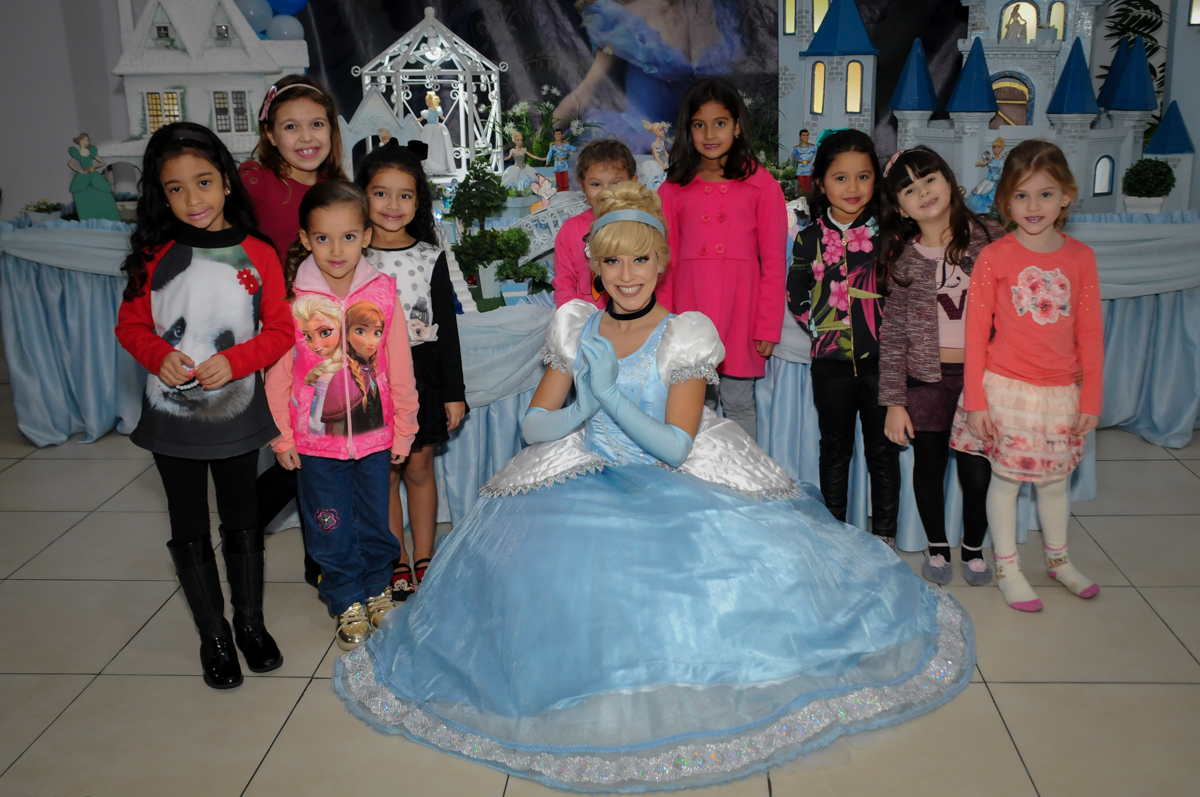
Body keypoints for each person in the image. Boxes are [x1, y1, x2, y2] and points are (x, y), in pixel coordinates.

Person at [330, 181, 974, 791]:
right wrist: (587, 407)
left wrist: (608, 393)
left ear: (660, 262)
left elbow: (675, 444)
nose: (627, 275)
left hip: (670, 473)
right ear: (596, 267)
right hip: (586, 467)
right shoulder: (577, 325)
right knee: (542, 579)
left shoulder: (683, 333)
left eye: (639, 259)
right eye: (612, 263)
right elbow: (534, 426)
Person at [114, 122, 293, 689]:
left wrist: (239, 361)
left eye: (204, 182)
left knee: (242, 517)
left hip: (238, 415)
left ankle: (249, 623)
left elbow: (282, 330)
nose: (193, 200)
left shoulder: (258, 252)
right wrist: (155, 355)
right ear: (159, 194)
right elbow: (131, 326)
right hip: (171, 419)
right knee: (187, 520)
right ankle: (212, 636)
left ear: (225, 183)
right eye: (175, 188)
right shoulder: (152, 254)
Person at [265, 181, 420, 650]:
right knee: (328, 522)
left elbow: (399, 364)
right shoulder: (293, 303)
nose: (337, 249)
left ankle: (376, 590)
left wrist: (405, 427)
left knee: (376, 520)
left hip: (374, 440)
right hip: (316, 445)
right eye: (324, 238)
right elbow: (279, 376)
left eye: (349, 236)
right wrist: (284, 438)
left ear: (366, 237)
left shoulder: (384, 293)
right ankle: (345, 598)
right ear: (305, 239)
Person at [951, 139, 1103, 611]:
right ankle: (1008, 568)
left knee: (1055, 482)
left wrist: (1091, 400)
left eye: (1044, 193)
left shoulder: (1081, 258)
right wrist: (975, 399)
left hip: (1062, 392)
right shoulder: (996, 257)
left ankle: (1058, 562)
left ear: (1067, 195)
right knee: (1007, 481)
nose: (1033, 206)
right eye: (1021, 195)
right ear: (1004, 201)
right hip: (1005, 391)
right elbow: (975, 334)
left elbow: (1091, 334)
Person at [240, 74, 347, 586]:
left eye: (317, 124)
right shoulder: (255, 182)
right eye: (291, 126)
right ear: (270, 133)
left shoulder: (334, 188)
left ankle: (317, 557)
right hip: (281, 337)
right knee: (299, 445)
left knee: (320, 445)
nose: (306, 136)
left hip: (328, 336)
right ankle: (245, 524)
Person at [877, 147, 1001, 585]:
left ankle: (973, 546)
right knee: (928, 467)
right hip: (926, 379)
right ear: (899, 207)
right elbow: (891, 338)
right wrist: (894, 401)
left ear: (949, 180)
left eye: (929, 179)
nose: (923, 192)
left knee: (977, 470)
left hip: (981, 380)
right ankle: (936, 546)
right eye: (909, 189)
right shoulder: (904, 261)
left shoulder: (990, 238)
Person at [356, 142, 468, 600]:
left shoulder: (430, 254)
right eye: (381, 193)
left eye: (405, 195)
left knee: (420, 466)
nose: (392, 205)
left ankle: (425, 555)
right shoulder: (352, 257)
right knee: (384, 471)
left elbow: (448, 330)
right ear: (361, 196)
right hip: (369, 376)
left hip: (421, 373)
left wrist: (454, 392)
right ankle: (395, 556)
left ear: (418, 201)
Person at [787, 129, 899, 548]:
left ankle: (884, 535)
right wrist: (819, 326)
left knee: (882, 450)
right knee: (835, 448)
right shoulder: (809, 237)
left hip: (882, 363)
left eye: (863, 176)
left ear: (876, 180)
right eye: (840, 178)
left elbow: (902, 294)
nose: (853, 188)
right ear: (820, 182)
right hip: (830, 363)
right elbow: (795, 287)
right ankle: (834, 535)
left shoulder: (890, 234)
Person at [658, 77, 787, 440]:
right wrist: (665, 322)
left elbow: (774, 263)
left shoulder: (762, 185)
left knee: (738, 401)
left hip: (741, 315)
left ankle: (744, 480)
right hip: (690, 312)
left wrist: (766, 325)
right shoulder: (672, 188)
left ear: (737, 126)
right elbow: (663, 261)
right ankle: (699, 483)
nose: (709, 133)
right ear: (687, 130)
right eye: (699, 124)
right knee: (695, 405)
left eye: (720, 123)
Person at [555, 0, 743, 153]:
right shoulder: (623, 17)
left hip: (700, 145)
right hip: (636, 145)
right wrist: (535, 146)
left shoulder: (712, 12)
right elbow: (585, 92)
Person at [552, 138, 640, 308]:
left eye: (616, 184)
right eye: (596, 184)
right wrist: (570, 320)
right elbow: (564, 283)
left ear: (633, 182)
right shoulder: (571, 229)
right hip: (586, 323)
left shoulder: (641, 225)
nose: (606, 192)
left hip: (634, 321)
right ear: (582, 185)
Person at [68, 133, 120, 221]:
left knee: (102, 188)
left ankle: (109, 214)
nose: (85, 142)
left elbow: (102, 162)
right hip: (83, 174)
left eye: (87, 140)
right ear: (79, 141)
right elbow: (70, 164)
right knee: (81, 190)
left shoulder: (91, 152)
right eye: (83, 140)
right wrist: (79, 170)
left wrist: (93, 167)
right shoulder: (77, 153)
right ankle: (87, 215)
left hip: (92, 172)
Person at [966, 137, 1007, 214]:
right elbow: (984, 163)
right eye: (994, 147)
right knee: (982, 195)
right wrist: (980, 163)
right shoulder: (991, 159)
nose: (996, 149)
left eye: (998, 147)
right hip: (988, 181)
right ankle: (983, 213)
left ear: (1001, 148)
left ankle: (992, 213)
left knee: (995, 197)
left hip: (997, 182)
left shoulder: (1003, 160)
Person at [420, 92, 456, 174]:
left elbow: (441, 116)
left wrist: (442, 117)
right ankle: (430, 166)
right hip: (430, 129)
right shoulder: (426, 112)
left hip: (436, 129)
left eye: (427, 101)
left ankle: (439, 166)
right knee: (430, 147)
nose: (427, 103)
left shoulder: (437, 111)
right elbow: (422, 118)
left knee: (438, 147)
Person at [637, 120, 669, 191]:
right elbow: (656, 157)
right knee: (654, 178)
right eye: (660, 130)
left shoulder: (662, 142)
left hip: (663, 163)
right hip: (656, 163)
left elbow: (665, 153)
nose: (662, 131)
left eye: (662, 130)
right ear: (655, 132)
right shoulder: (654, 145)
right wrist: (662, 165)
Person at [791, 128, 817, 193]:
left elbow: (819, 154)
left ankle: (808, 199)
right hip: (801, 167)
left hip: (808, 167)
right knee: (801, 185)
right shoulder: (797, 148)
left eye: (807, 135)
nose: (805, 137)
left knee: (808, 185)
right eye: (803, 135)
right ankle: (801, 198)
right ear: (800, 137)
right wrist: (793, 155)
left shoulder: (812, 147)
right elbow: (793, 156)